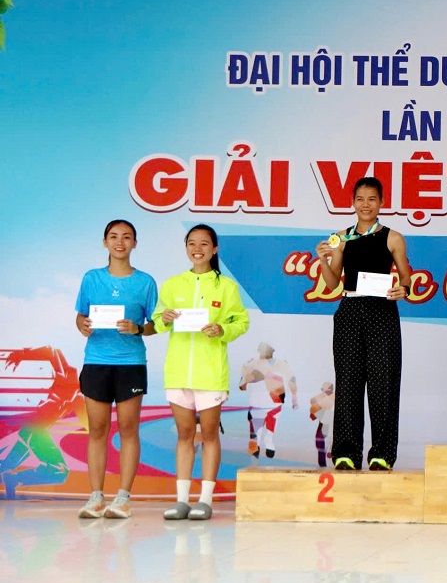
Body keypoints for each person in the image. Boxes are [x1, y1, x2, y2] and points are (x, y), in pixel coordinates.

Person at [153, 224, 249, 521]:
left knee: (208, 434)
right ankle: (182, 500)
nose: (198, 249)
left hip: (210, 372)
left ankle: (205, 500)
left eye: (204, 244)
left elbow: (241, 322)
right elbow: (157, 321)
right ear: (186, 248)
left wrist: (222, 329)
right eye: (192, 243)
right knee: (184, 434)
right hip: (178, 371)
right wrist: (164, 317)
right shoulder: (173, 284)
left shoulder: (226, 287)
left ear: (214, 249)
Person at [315, 176, 411, 472]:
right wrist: (323, 260)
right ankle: (346, 453)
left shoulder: (393, 237)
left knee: (384, 384)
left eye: (372, 199)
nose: (365, 205)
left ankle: (382, 454)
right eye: (360, 199)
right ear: (352, 202)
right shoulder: (341, 238)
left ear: (382, 202)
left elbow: (405, 276)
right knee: (348, 384)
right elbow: (332, 284)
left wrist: (403, 289)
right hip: (350, 310)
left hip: (382, 311)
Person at [72, 220, 158, 519]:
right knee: (97, 429)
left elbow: (155, 325)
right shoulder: (91, 278)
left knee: (128, 428)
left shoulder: (145, 282)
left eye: (126, 237)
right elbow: (81, 317)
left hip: (131, 363)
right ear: (105, 242)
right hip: (96, 361)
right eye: (113, 236)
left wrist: (138, 328)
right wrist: (82, 325)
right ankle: (96, 497)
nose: (120, 242)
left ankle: (122, 498)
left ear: (135, 243)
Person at [238, 342, 298, 459]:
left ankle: (268, 441)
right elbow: (242, 386)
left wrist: (294, 398)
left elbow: (291, 379)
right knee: (257, 428)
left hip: (275, 402)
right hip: (256, 403)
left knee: (271, 425)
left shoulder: (281, 364)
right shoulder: (250, 364)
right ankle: (256, 446)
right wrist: (250, 379)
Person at [310, 382, 335, 467]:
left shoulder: (334, 398)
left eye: (327, 390)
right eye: (323, 390)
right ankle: (322, 465)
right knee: (319, 443)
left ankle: (331, 449)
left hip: (332, 424)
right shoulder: (320, 398)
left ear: (331, 390)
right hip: (324, 423)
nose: (325, 392)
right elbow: (312, 416)